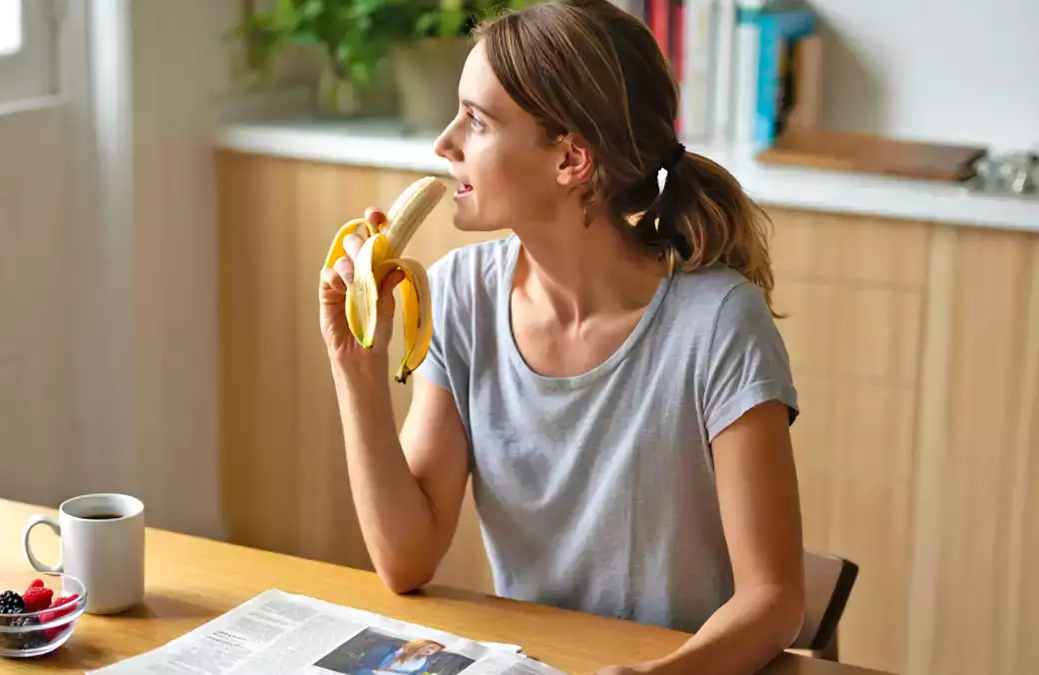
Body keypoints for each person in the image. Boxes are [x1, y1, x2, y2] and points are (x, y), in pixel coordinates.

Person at [317, 1, 805, 674]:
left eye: (476, 121)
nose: (444, 143)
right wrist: (358, 370)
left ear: (571, 158)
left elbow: (774, 598)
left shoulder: (720, 323)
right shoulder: (462, 294)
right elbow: (406, 558)